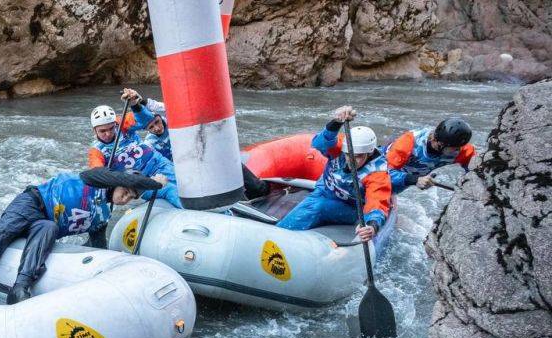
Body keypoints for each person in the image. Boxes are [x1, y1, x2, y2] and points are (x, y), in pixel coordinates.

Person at [0, 168, 162, 304]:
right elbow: (113, 176)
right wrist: (153, 183)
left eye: (132, 197)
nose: (126, 198)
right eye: (126, 191)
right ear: (118, 183)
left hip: (44, 225)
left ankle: (20, 288)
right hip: (30, 204)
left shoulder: (103, 215)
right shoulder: (96, 180)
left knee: (49, 228)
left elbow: (98, 245)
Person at [118, 88, 270, 200]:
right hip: (184, 169)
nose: (157, 128)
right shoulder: (150, 143)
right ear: (146, 129)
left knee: (230, 161)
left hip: (201, 155)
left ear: (160, 118)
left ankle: (259, 189)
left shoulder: (174, 121)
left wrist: (139, 100)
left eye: (157, 122)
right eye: (151, 127)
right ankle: (238, 203)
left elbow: (167, 108)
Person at [276, 106, 392, 242]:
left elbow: (377, 202)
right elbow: (319, 143)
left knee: (318, 207)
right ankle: (281, 233)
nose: (352, 160)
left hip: (352, 209)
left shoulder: (377, 173)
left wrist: (372, 226)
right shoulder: (341, 149)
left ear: (369, 153)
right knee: (313, 204)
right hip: (324, 191)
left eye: (359, 156)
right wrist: (336, 122)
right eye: (349, 155)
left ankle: (279, 238)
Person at [87, 105, 183, 208]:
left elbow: (145, 119)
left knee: (184, 182)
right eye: (102, 131)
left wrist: (135, 104)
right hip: (139, 182)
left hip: (157, 163)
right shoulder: (96, 151)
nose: (108, 133)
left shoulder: (121, 124)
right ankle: (192, 213)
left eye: (111, 128)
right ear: (94, 130)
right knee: (170, 189)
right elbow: (98, 175)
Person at [384, 118, 475, 192]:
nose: (458, 151)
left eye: (459, 147)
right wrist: (415, 180)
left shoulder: (462, 149)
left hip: (406, 177)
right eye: (455, 148)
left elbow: (474, 168)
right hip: (385, 166)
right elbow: (383, 174)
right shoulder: (408, 143)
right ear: (439, 143)